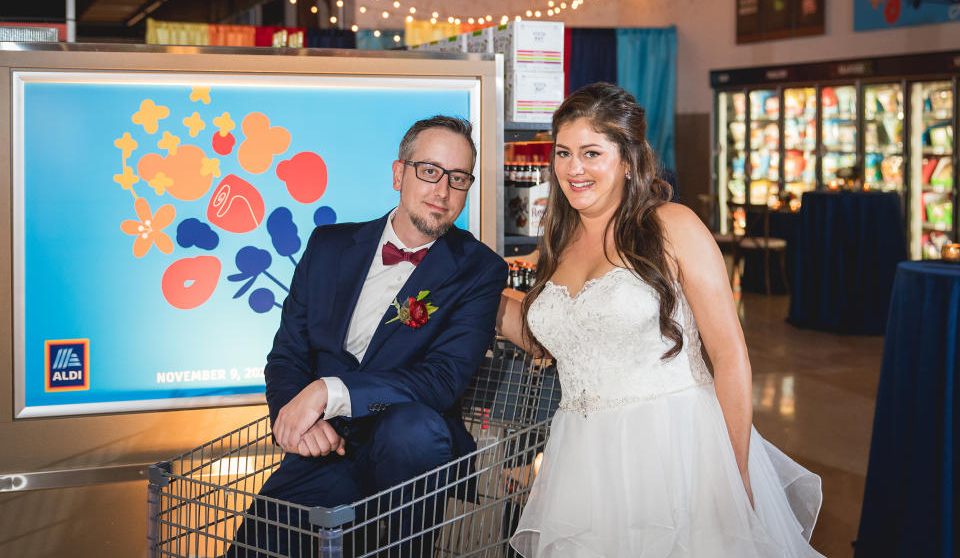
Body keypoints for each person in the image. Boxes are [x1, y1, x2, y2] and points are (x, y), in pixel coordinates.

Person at [497, 83, 824, 557]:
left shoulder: (672, 225)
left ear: (628, 160)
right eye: (563, 153)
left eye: (592, 152)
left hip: (674, 446)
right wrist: (471, 293)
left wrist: (734, 475)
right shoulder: (559, 243)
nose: (573, 168)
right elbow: (551, 338)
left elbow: (731, 355)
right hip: (583, 455)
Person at [230, 115, 508, 557]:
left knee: (413, 429)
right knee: (262, 544)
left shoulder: (480, 269)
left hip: (408, 449)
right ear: (399, 173)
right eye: (430, 171)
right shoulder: (329, 245)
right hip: (327, 444)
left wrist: (329, 391)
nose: (442, 191)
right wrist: (298, 418)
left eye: (458, 179)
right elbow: (287, 355)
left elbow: (441, 381)